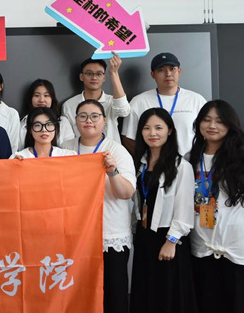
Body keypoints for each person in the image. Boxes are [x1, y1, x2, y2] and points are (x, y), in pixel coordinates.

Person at [62, 99, 135, 313]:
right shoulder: (65, 148)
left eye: (95, 116)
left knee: (113, 294)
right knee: (78, 294)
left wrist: (112, 172)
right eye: (83, 116)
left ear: (104, 121)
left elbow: (126, 193)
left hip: (109, 234)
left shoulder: (116, 150)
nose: (89, 121)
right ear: (75, 121)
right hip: (74, 236)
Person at [129, 108, 196, 313]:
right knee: (145, 294)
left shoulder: (181, 166)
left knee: (167, 296)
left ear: (170, 131)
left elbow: (184, 209)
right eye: (146, 128)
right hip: (144, 237)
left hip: (168, 239)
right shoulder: (139, 164)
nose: (152, 133)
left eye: (159, 128)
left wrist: (171, 241)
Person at [188, 100, 244, 311]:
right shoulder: (189, 159)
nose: (212, 125)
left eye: (219, 121)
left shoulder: (240, 156)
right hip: (202, 244)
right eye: (207, 120)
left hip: (236, 244)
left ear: (230, 125)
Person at [121, 52, 206, 157]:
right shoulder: (139, 102)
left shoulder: (196, 100)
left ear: (179, 71)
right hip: (152, 165)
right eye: (161, 70)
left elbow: (207, 136)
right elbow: (128, 138)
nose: (168, 74)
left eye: (172, 69)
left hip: (189, 163)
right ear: (153, 75)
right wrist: (148, 159)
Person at [62, 53, 130, 143]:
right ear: (81, 77)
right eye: (89, 73)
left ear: (104, 77)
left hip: (110, 150)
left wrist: (114, 73)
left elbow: (124, 111)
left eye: (99, 74)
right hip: (80, 150)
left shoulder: (111, 101)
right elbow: (67, 137)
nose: (94, 77)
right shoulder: (69, 105)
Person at [19, 79, 75, 148]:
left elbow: (69, 147)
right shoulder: (23, 123)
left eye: (46, 95)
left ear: (52, 99)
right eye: (37, 95)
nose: (41, 100)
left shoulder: (63, 122)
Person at [11, 107, 76, 159]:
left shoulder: (68, 156)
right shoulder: (19, 157)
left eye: (49, 124)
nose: (44, 130)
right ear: (30, 129)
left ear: (56, 128)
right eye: (37, 125)